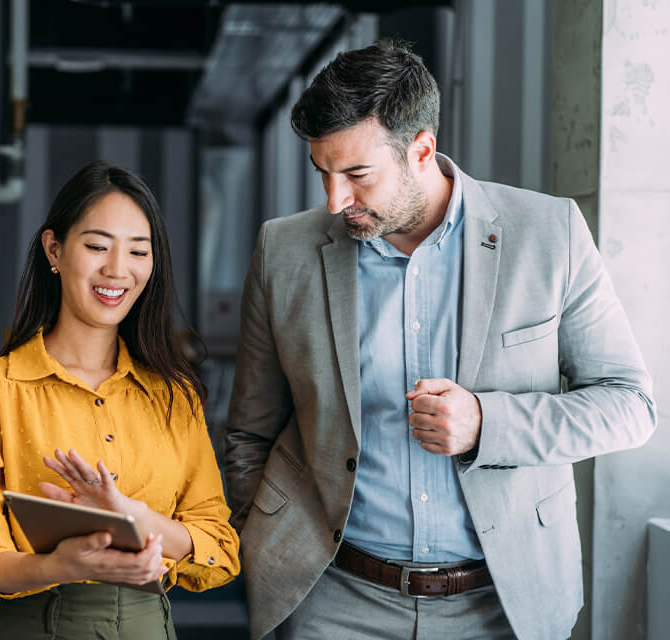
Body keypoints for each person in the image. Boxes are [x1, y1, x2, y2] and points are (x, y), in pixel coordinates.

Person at [224, 39, 656, 640]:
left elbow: (630, 406)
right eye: (323, 173)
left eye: (356, 174)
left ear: (421, 149)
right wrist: (261, 537)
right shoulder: (284, 250)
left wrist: (487, 424)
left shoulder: (548, 235)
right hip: (333, 599)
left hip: (503, 604)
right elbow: (250, 430)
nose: (334, 200)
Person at [0, 161, 240, 639]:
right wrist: (57, 565)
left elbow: (219, 549)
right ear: (54, 249)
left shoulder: (174, 396)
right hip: (34, 624)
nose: (117, 270)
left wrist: (137, 518)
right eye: (97, 246)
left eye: (138, 251)